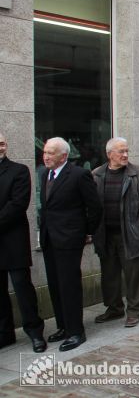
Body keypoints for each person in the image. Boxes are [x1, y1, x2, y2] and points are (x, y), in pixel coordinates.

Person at [40, 137, 103, 352]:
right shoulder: (45, 174)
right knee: (55, 285)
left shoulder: (78, 175)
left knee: (69, 286)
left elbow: (94, 208)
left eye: (50, 153)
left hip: (69, 240)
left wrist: (86, 232)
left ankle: (76, 331)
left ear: (63, 156)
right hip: (49, 238)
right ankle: (63, 326)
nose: (45, 156)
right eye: (45, 152)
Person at [91, 138, 139, 328]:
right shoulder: (96, 175)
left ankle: (134, 311)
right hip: (105, 235)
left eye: (126, 151)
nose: (125, 155)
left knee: (134, 274)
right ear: (109, 154)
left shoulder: (138, 174)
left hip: (130, 234)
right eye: (121, 152)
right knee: (109, 275)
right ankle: (114, 308)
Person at [0, 133, 46, 352]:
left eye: (2, 143)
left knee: (22, 289)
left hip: (13, 240)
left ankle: (35, 332)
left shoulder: (18, 170)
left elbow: (17, 204)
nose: (0, 147)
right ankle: (5, 333)